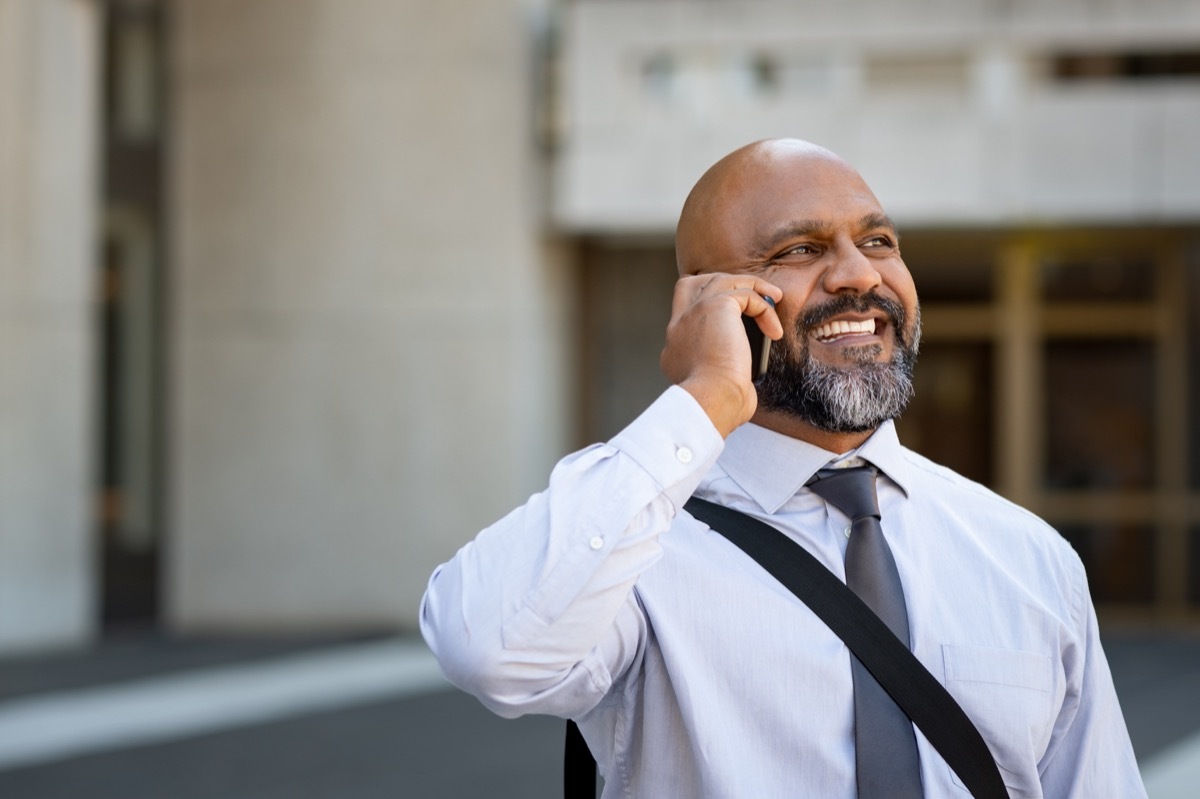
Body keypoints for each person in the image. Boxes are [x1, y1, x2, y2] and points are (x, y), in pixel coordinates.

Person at [419, 139, 1146, 798]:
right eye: (799, 250)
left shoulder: (1029, 556)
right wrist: (702, 399)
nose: (859, 275)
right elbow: (487, 645)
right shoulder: (632, 549)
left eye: (879, 240)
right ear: (711, 304)